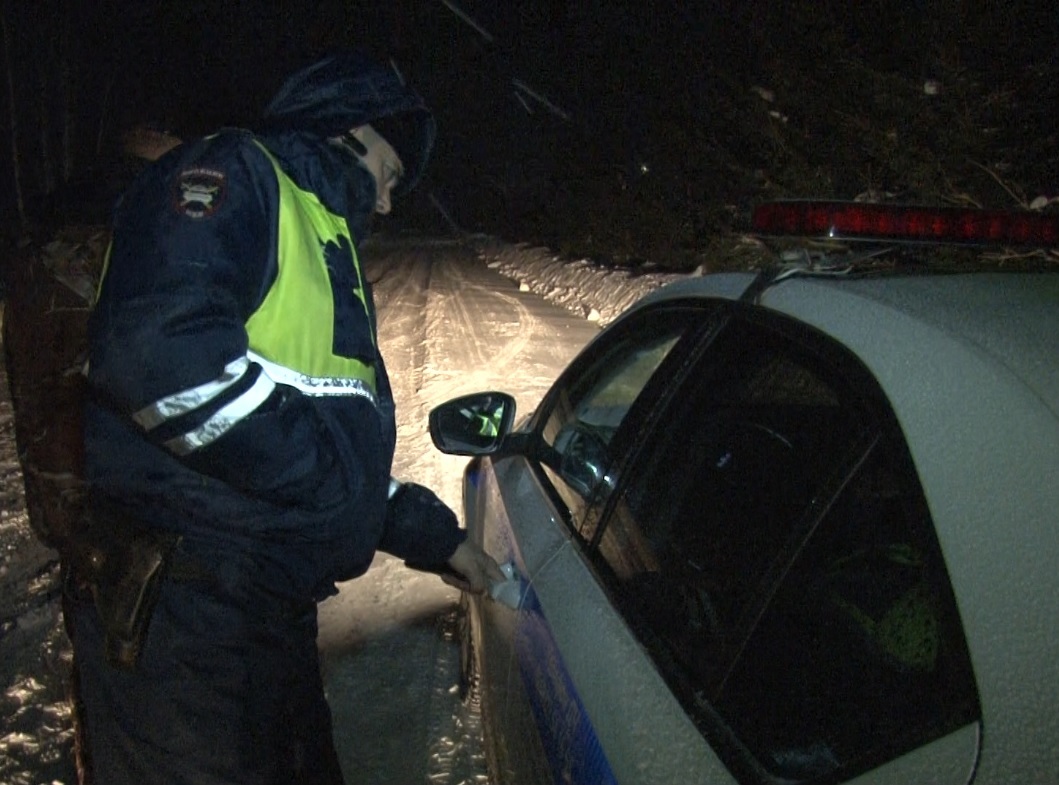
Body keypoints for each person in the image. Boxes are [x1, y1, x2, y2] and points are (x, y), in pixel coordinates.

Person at [65, 51, 503, 785]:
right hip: (188, 615)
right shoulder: (238, 172)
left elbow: (329, 446)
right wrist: (323, 482)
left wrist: (437, 539)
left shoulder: (324, 240)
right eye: (390, 176)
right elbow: (156, 356)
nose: (389, 204)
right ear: (351, 132)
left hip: (263, 616)